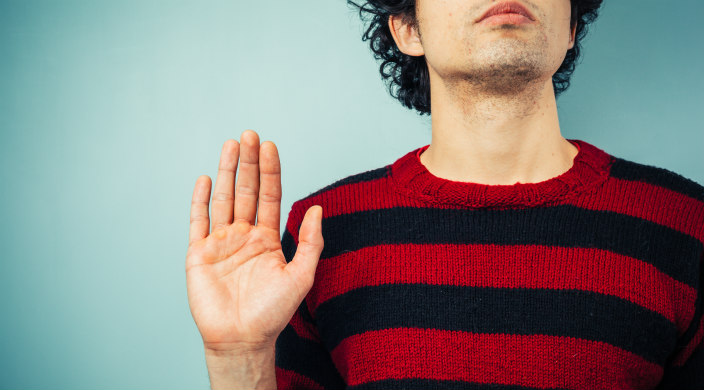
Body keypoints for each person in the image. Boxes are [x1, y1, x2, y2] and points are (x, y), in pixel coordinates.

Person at [185, 0, 704, 389]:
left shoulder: (686, 225)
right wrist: (239, 359)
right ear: (408, 29)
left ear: (569, 27)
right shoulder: (325, 233)